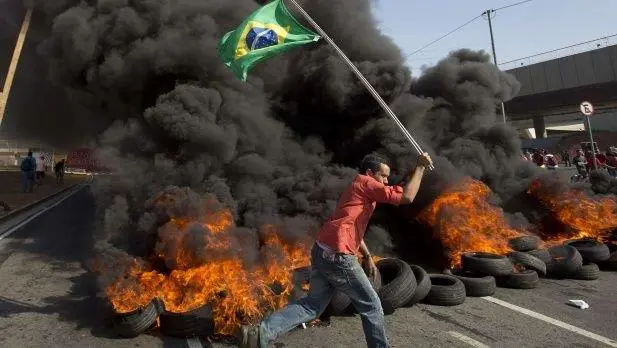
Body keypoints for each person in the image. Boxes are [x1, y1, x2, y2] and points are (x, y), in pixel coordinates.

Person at [236, 152, 433, 348]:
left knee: (312, 305)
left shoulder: (357, 189)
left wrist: (366, 256)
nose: (386, 180)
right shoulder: (365, 182)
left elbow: (349, 225)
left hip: (322, 251)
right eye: (383, 176)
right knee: (372, 305)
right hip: (338, 256)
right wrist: (421, 167)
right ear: (370, 173)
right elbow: (406, 196)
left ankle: (259, 333)